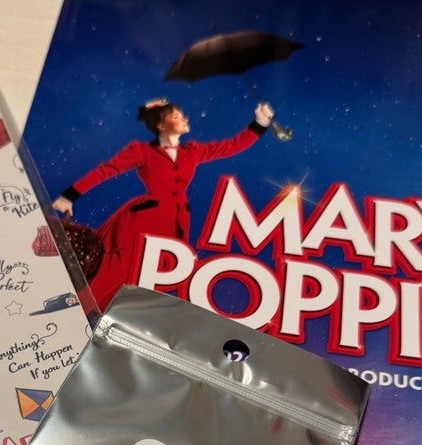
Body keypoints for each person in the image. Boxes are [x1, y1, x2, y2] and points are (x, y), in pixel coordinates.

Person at [53, 99, 274, 310]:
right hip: (143, 222)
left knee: (151, 279)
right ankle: (80, 308)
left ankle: (116, 317)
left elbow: (232, 146)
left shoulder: (193, 151)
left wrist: (260, 122)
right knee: (118, 268)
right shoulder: (142, 151)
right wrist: (69, 196)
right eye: (176, 116)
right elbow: (107, 170)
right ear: (161, 125)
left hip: (175, 225)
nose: (184, 118)